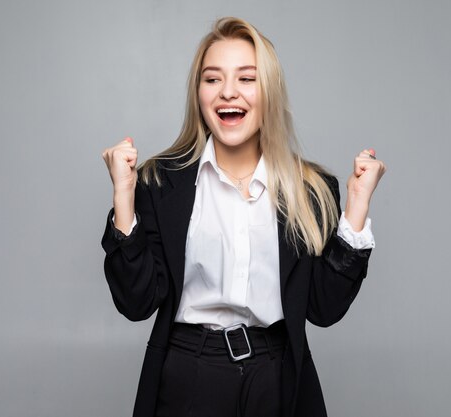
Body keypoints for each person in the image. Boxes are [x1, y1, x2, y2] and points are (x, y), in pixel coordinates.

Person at [101, 17, 386, 417]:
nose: (228, 92)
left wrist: (356, 207)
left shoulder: (312, 188)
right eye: (212, 79)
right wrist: (124, 195)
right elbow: (137, 302)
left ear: (269, 91)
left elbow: (323, 309)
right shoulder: (160, 183)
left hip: (278, 378)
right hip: (190, 375)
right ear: (198, 93)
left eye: (247, 78)